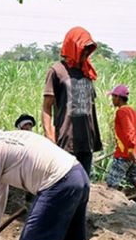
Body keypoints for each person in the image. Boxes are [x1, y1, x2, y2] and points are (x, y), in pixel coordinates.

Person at [42, 26, 102, 177]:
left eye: (89, 49)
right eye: (84, 49)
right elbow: (46, 108)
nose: (86, 53)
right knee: (66, 184)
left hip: (86, 142)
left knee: (83, 186)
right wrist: (50, 136)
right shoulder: (57, 71)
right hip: (66, 141)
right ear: (73, 47)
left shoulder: (87, 72)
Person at [105, 84, 136, 205]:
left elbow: (129, 131)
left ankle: (110, 209)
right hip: (132, 155)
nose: (112, 99)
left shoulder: (121, 112)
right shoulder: (133, 112)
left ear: (118, 97)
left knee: (111, 185)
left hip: (124, 155)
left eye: (113, 97)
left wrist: (129, 148)